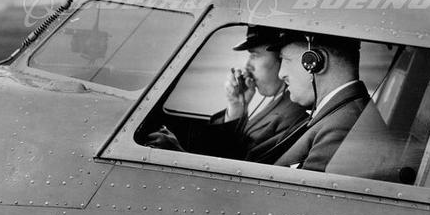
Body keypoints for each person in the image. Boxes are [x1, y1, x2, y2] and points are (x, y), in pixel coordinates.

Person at [143, 26, 308, 161]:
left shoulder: (293, 114)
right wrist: (236, 107)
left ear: (281, 58)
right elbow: (229, 154)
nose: (247, 66)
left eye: (255, 55)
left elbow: (242, 172)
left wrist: (177, 155)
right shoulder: (279, 103)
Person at [266, 32, 399, 177]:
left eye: (287, 60)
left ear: (317, 62)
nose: (281, 74)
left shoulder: (343, 127)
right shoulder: (338, 113)